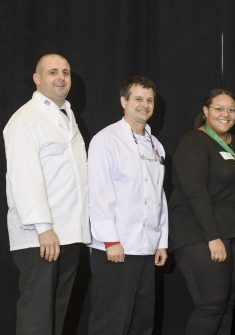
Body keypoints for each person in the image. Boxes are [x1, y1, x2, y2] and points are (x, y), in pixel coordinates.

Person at [3, 53, 90, 335]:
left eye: (65, 72)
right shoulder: (26, 119)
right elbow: (24, 177)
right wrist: (44, 228)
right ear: (37, 79)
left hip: (69, 233)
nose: (61, 77)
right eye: (53, 72)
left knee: (57, 314)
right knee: (37, 317)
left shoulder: (67, 115)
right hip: (41, 236)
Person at [169, 89, 235, 335]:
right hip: (201, 234)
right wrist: (212, 237)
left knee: (228, 305)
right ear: (206, 111)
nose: (226, 114)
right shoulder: (193, 142)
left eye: (231, 109)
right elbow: (196, 193)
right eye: (219, 108)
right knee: (211, 305)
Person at [87, 76, 168, 334]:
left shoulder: (156, 146)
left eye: (149, 100)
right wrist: (111, 240)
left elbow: (159, 195)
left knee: (142, 322)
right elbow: (98, 192)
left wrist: (161, 241)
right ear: (124, 102)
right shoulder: (106, 139)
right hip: (116, 249)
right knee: (111, 322)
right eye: (138, 99)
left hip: (145, 248)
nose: (144, 105)